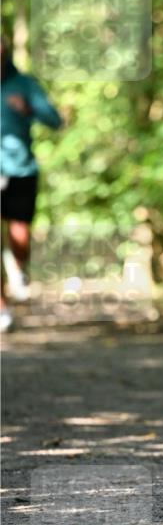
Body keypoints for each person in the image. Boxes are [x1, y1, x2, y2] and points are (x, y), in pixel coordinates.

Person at [1, 36, 62, 331]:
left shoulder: (24, 83)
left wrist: (28, 109)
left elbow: (55, 119)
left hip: (20, 170)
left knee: (19, 236)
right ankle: (1, 308)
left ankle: (18, 265)